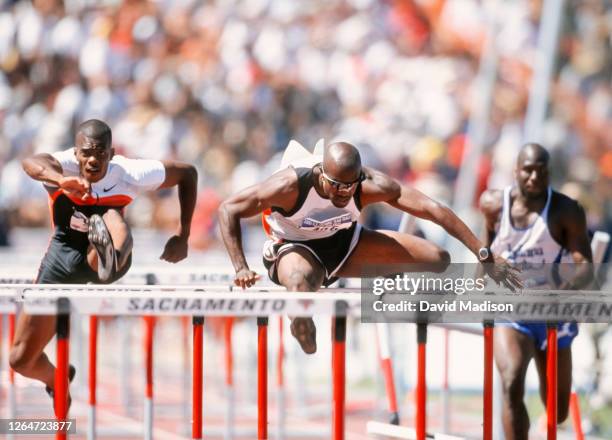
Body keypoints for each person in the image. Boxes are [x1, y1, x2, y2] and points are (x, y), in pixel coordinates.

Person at [219, 141, 521, 354]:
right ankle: (300, 322)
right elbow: (228, 209)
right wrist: (240, 266)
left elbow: (432, 209)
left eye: (348, 187)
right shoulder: (289, 186)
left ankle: (386, 279)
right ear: (320, 173)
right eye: (334, 185)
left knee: (437, 257)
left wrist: (483, 252)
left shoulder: (370, 185)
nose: (341, 193)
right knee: (299, 284)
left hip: (346, 245)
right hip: (295, 248)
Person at [9, 119, 197, 410]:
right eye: (87, 153)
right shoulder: (63, 166)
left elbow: (187, 173)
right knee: (20, 358)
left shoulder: (130, 172)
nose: (93, 160)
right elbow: (31, 162)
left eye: (101, 153)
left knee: (109, 217)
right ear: (76, 153)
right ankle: (57, 377)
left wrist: (182, 235)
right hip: (62, 259)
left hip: (108, 253)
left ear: (112, 153)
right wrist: (60, 181)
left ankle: (109, 254)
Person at [480, 143, 593, 440]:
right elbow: (484, 254)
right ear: (516, 171)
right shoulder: (494, 204)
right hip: (512, 311)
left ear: (549, 173)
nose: (533, 177)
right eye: (527, 170)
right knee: (511, 380)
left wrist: (561, 289)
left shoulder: (566, 210)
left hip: (553, 313)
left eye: (541, 171)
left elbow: (585, 266)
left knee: (557, 411)